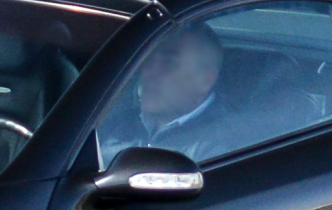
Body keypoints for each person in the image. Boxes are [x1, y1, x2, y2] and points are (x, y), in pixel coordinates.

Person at [94, 23, 267, 167]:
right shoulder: (114, 124)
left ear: (205, 79)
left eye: (168, 63)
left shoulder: (226, 148)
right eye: (148, 60)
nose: (149, 72)